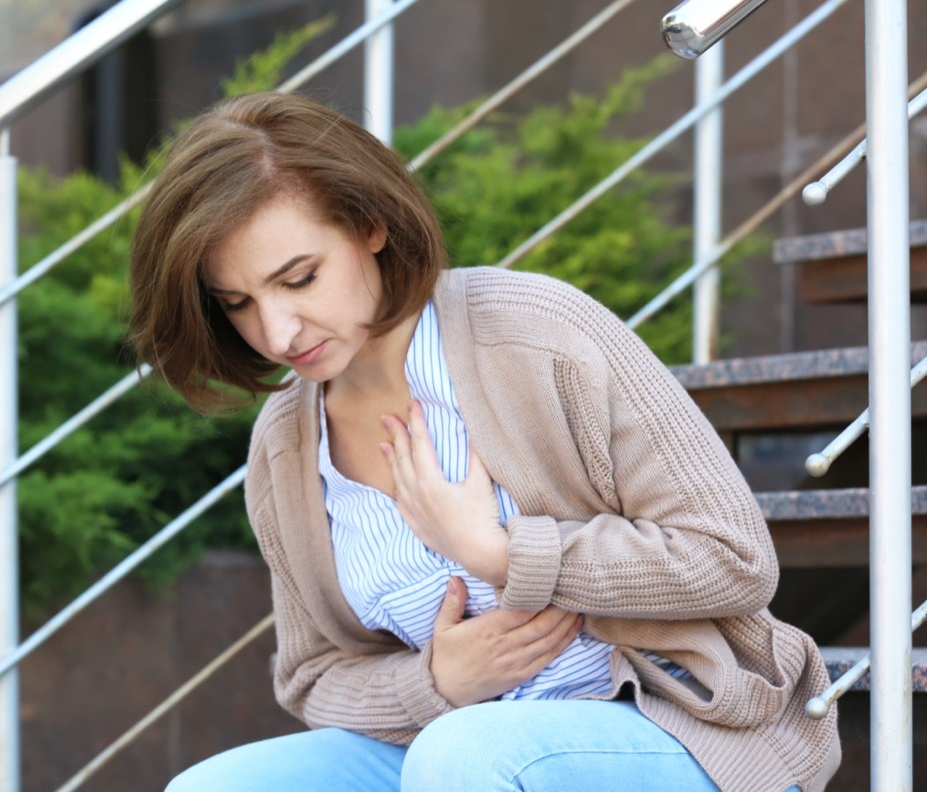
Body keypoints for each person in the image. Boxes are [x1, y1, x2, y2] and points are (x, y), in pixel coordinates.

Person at [129, 91, 840, 791]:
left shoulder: (536, 335)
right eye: (239, 304)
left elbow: (734, 557)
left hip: (674, 723)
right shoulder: (285, 445)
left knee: (463, 758)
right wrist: (435, 680)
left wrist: (503, 553)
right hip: (459, 739)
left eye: (300, 278)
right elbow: (313, 675)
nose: (278, 331)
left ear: (370, 224)